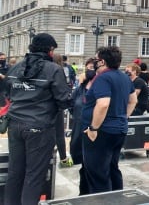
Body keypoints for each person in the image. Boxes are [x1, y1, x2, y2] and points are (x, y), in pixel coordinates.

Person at [4, 33, 73, 205]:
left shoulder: (16, 67)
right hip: (39, 126)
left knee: (15, 172)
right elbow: (64, 100)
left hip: (15, 124)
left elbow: (7, 92)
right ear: (50, 50)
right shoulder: (53, 69)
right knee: (34, 175)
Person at [81, 46, 137, 194]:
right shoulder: (124, 77)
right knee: (112, 168)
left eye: (96, 60)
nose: (94, 63)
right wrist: (123, 117)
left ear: (103, 61)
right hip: (118, 130)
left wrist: (93, 129)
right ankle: (116, 198)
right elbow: (133, 100)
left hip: (102, 131)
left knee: (98, 173)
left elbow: (103, 104)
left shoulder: (103, 78)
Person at [70, 58, 96, 195]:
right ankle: (84, 193)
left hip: (93, 130)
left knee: (92, 166)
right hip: (79, 129)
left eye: (92, 67)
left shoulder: (99, 86)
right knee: (83, 166)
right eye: (88, 68)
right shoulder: (80, 88)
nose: (89, 70)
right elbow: (72, 104)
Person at [52, 54, 74, 168]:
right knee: (59, 134)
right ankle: (63, 159)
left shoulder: (46, 70)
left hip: (43, 109)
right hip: (57, 107)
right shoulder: (60, 71)